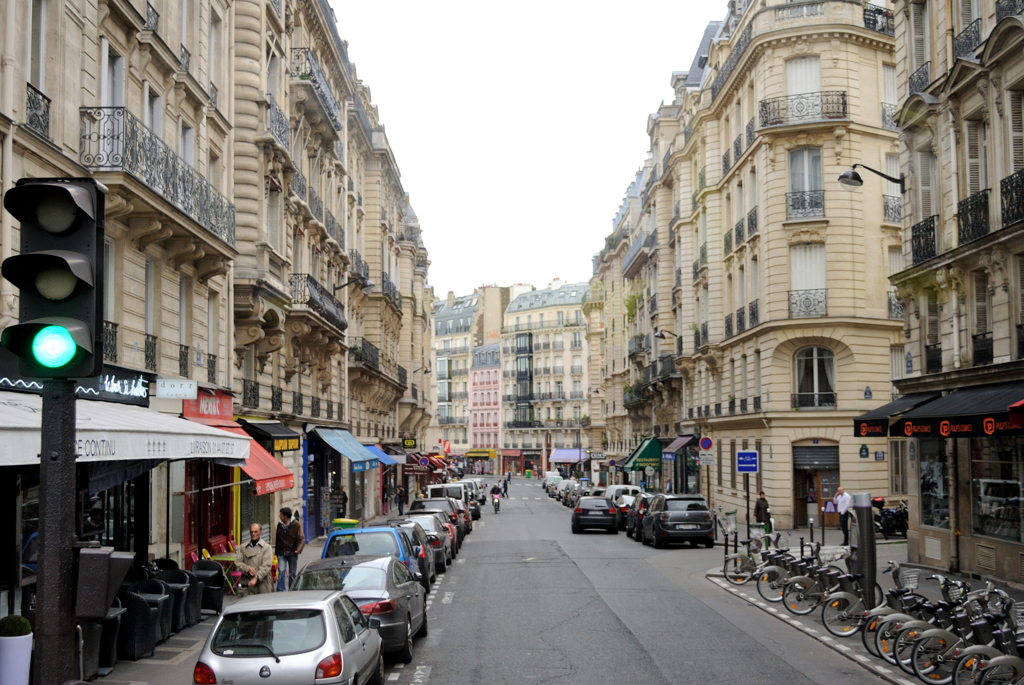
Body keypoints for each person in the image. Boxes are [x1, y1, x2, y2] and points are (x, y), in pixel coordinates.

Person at [235, 523, 273, 596]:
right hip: (247, 581)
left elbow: (266, 566)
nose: (253, 534)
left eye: (256, 532)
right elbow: (237, 562)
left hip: (262, 583)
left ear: (261, 532)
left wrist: (256, 577)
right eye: (251, 532)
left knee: (261, 605)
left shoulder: (266, 547)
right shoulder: (243, 547)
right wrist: (248, 569)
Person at [275, 508, 304, 591]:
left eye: (280, 514)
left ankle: (292, 589)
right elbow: (277, 539)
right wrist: (277, 552)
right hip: (281, 552)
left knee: (292, 573)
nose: (279, 516)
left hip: (292, 552)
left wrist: (298, 549)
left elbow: (301, 538)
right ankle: (281, 590)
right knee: (281, 571)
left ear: (285, 516)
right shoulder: (280, 525)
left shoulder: (296, 525)